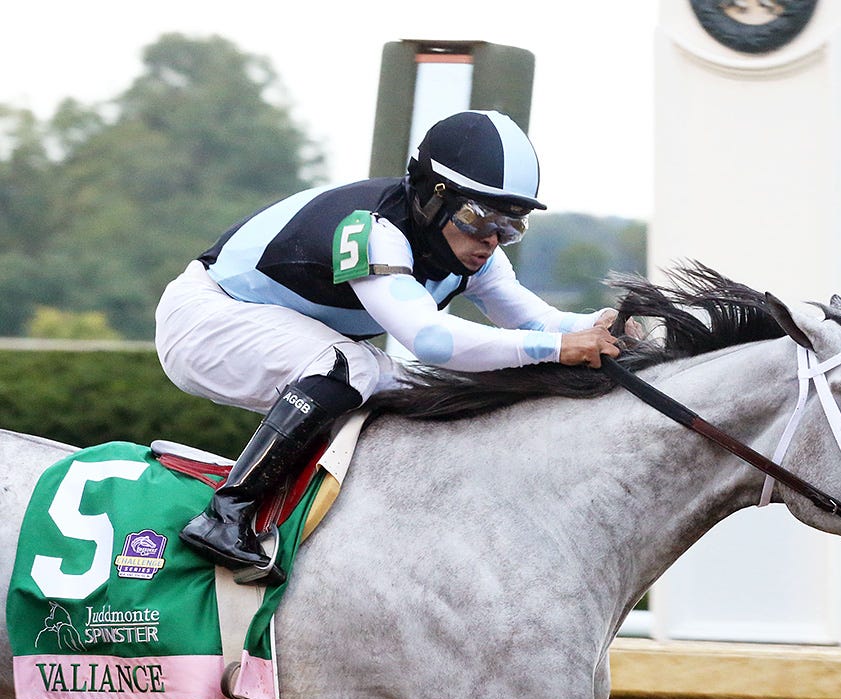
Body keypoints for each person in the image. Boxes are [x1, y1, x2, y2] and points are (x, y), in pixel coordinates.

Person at [155, 109, 624, 578]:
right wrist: (559, 348)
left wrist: (603, 324)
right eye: (479, 218)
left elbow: (538, 321)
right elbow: (432, 340)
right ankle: (226, 516)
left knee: (408, 386)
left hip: (265, 324)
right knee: (350, 367)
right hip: (204, 319)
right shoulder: (373, 230)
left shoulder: (476, 256)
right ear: (433, 197)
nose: (491, 241)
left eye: (510, 226)